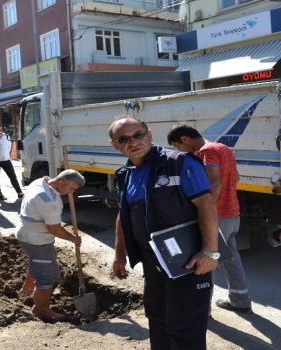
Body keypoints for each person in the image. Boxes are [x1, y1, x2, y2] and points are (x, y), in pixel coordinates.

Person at [109, 116, 220, 350]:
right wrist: (120, 254)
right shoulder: (126, 174)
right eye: (123, 139)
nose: (133, 142)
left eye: (138, 135)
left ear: (149, 135)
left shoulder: (179, 163)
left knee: (185, 328)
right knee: (158, 320)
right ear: (115, 144)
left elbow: (206, 205)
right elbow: (124, 215)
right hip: (154, 264)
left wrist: (210, 252)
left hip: (186, 264)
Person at [167, 124, 252, 313]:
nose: (178, 151)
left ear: (185, 140)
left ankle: (202, 309)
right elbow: (235, 177)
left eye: (176, 146)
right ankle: (241, 299)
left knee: (206, 259)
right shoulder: (222, 148)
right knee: (230, 258)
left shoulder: (206, 151)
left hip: (218, 216)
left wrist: (206, 212)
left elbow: (214, 182)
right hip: (231, 213)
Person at [16, 169, 84, 323]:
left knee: (40, 262)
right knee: (48, 275)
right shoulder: (49, 201)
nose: (71, 193)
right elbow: (54, 228)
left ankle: (28, 287)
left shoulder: (41, 181)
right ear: (61, 182)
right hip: (37, 240)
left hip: (27, 233)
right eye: (71, 188)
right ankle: (41, 308)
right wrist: (72, 238)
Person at [0, 120, 24, 200]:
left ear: (0, 128)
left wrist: (6, 155)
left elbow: (9, 146)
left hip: (6, 160)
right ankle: (0, 195)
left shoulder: (6, 136)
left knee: (13, 176)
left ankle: (19, 192)